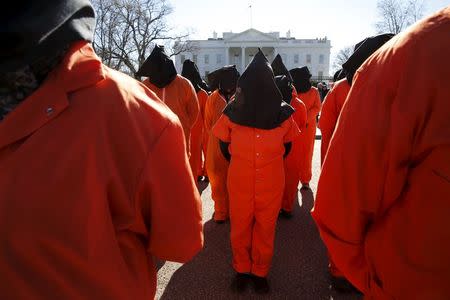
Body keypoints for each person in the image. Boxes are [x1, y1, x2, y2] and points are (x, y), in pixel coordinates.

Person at [0, 1, 204, 299]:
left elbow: (195, 112)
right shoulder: (143, 109)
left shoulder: (164, 101)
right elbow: (182, 242)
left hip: (176, 139)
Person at [312, 6, 450, 299]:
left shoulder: (411, 57)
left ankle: (341, 271)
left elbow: (324, 121)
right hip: (350, 154)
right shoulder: (411, 58)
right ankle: (340, 271)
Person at [213, 50, 300, 293]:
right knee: (240, 227)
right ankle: (242, 269)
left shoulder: (283, 113)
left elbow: (288, 146)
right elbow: (223, 144)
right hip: (241, 181)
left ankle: (260, 272)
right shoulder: (232, 110)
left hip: (270, 184)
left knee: (265, 228)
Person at [320, 33, 393, 167]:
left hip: (352, 157)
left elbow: (326, 126)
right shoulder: (394, 87)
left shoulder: (339, 88)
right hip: (372, 160)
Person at [137, 45, 199, 159]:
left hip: (173, 141)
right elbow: (194, 112)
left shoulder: (144, 86)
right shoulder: (184, 84)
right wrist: (182, 126)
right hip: (155, 142)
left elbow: (194, 112)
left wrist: (183, 127)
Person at [271, 55, 307, 217]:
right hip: (288, 145)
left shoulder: (297, 104)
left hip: (287, 146)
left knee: (285, 178)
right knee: (286, 178)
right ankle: (285, 207)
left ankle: (283, 206)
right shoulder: (298, 104)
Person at [204, 65, 239, 223]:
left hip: (235, 145)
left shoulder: (240, 97)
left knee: (234, 180)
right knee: (217, 178)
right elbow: (208, 122)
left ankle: (232, 210)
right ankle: (220, 211)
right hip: (216, 144)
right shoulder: (213, 98)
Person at [289, 66, 321, 189]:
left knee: (307, 154)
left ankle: (305, 179)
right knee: (293, 155)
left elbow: (317, 107)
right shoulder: (292, 91)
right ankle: (294, 178)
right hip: (295, 127)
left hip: (307, 127)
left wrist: (305, 118)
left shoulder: (314, 91)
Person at [181, 59, 209, 182]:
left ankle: (192, 171)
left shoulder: (181, 91)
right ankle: (201, 171)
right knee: (200, 149)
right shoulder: (202, 94)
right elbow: (205, 113)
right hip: (199, 125)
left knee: (188, 149)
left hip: (185, 124)